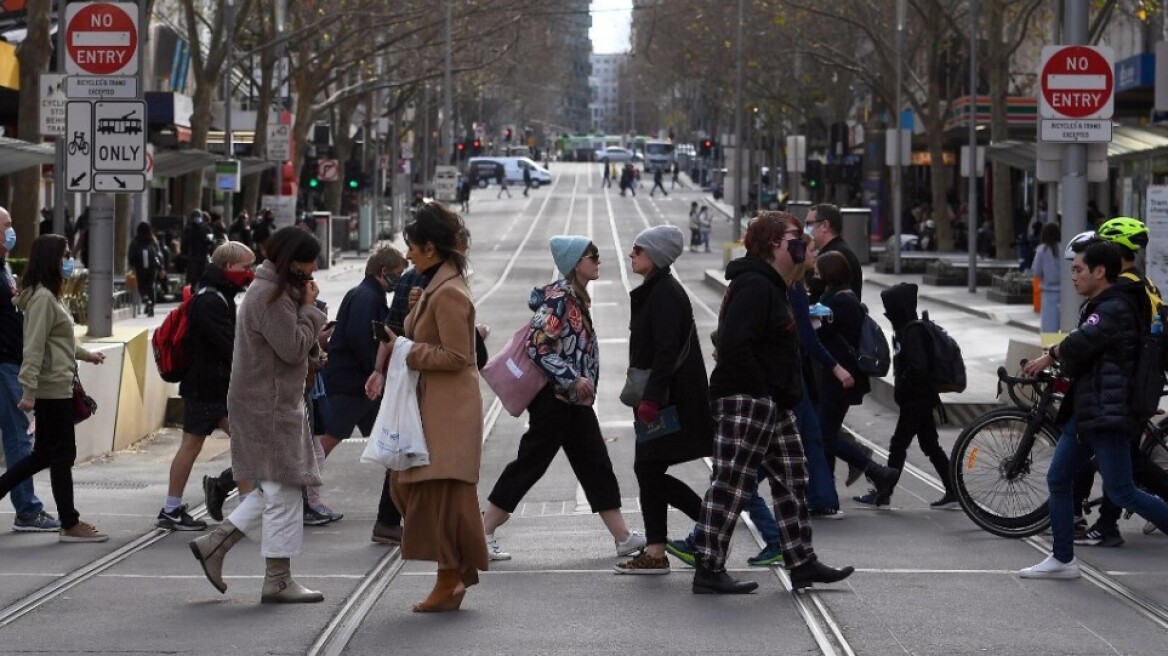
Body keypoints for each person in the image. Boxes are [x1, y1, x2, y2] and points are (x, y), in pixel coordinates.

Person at [691, 211, 853, 594]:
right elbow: (733, 344)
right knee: (731, 482)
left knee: (793, 476)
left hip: (770, 400)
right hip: (748, 398)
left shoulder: (774, 284)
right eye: (796, 237)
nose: (804, 242)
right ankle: (708, 566)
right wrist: (762, 389)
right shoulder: (754, 285)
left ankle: (801, 560)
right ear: (776, 244)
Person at [482, 236, 646, 561]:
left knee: (596, 464)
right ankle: (482, 533)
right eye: (592, 256)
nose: (598, 261)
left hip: (573, 402)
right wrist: (573, 378)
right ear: (575, 263)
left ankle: (623, 537)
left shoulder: (575, 298)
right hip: (554, 400)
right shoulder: (559, 300)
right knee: (530, 464)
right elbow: (537, 344)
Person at [189, 227, 328, 603]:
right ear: (293, 260)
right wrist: (313, 313)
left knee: (275, 489)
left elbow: (289, 349)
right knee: (283, 492)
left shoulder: (274, 293)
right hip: (267, 406)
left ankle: (215, 545)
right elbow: (291, 346)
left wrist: (310, 340)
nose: (313, 271)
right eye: (309, 263)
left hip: (270, 402)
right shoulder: (269, 295)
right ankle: (277, 579)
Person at [364, 202, 489, 612]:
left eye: (413, 248)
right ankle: (452, 576)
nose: (408, 256)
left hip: (448, 411)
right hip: (432, 406)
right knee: (413, 489)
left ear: (432, 250)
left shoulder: (449, 292)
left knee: (438, 496)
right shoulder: (435, 286)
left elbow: (458, 355)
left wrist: (409, 351)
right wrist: (418, 306)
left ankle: (450, 578)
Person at [1019, 240, 1168, 579]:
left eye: (1078, 269)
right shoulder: (1101, 304)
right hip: (1088, 411)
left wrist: (1049, 355)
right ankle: (1062, 559)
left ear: (1100, 272)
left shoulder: (1113, 306)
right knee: (1058, 479)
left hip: (1107, 413)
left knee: (1122, 491)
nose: (1073, 276)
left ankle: (1062, 557)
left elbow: (1081, 342)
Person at [615, 226, 713, 575]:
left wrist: (652, 399)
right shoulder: (656, 290)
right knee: (649, 469)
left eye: (638, 250)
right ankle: (657, 551)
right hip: (663, 399)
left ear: (655, 256)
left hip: (671, 400)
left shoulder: (666, 294)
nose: (631, 254)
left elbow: (666, 351)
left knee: (648, 468)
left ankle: (709, 522)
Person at [0, 234, 108, 542]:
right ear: (51, 259)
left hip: (56, 387)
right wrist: (29, 391)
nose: (69, 260)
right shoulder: (44, 300)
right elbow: (33, 347)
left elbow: (61, 341)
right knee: (61, 454)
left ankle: (69, 521)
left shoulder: (50, 296)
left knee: (46, 455)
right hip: (50, 391)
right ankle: (70, 523)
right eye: (64, 255)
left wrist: (88, 354)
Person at [157, 242, 256, 531]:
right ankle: (172, 510)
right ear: (228, 267)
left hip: (213, 386)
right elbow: (227, 346)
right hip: (209, 388)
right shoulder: (211, 301)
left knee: (241, 442)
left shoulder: (217, 295)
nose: (248, 273)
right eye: (245, 267)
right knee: (196, 445)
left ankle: (244, 506)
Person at [313, 247, 407, 518]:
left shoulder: (365, 293)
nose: (399, 280)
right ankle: (298, 495)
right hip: (353, 384)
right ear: (383, 272)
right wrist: (375, 371)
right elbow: (359, 338)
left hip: (357, 384)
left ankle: (396, 508)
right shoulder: (368, 297)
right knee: (326, 441)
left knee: (391, 441)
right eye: (397, 275)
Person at [813, 252, 898, 507]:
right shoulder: (841, 299)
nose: (814, 277)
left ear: (829, 274)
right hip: (838, 378)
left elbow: (820, 330)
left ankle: (874, 470)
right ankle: (826, 495)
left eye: (818, 272)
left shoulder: (839, 303)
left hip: (839, 379)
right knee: (825, 435)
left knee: (824, 436)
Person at [0, 209, 59, 532]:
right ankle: (27, 511)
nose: (12, 232)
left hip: (10, 363)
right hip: (5, 365)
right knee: (19, 440)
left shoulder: (5, 267)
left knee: (19, 437)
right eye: (6, 227)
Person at [878, 283, 956, 508]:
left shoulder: (911, 332)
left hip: (916, 399)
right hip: (921, 398)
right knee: (930, 445)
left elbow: (919, 368)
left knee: (898, 444)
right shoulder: (911, 329)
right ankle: (953, 489)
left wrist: (905, 383)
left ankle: (884, 491)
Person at [806, 203, 862, 303]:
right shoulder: (832, 250)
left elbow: (816, 290)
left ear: (825, 225)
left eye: (809, 224)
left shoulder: (835, 256)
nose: (806, 229)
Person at [1031, 221, 1061, 333]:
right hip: (1066, 294)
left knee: (1049, 331)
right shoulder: (1065, 249)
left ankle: (1050, 350)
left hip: (1049, 293)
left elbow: (1036, 271)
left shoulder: (1041, 250)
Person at [127, 221, 163, 317]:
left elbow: (131, 255)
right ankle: (151, 304)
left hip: (140, 267)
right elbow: (158, 255)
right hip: (152, 267)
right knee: (151, 285)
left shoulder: (135, 241)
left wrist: (131, 266)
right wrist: (160, 268)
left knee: (141, 286)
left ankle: (146, 299)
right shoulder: (153, 241)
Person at [182, 210, 212, 290]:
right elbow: (211, 243)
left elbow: (184, 244)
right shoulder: (207, 229)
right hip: (203, 257)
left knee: (192, 281)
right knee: (202, 280)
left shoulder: (188, 230)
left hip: (193, 258)